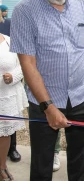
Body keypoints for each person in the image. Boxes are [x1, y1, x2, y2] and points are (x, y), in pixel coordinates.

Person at [10, 0, 84, 181]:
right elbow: (27, 64)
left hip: (81, 95)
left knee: (79, 158)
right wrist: (48, 107)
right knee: (42, 162)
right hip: (44, 100)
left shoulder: (81, 1)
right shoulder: (24, 11)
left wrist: (78, 72)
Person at [0, 33, 27, 181]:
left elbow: (23, 65)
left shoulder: (10, 41)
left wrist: (13, 76)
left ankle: (2, 166)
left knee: (5, 133)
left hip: (7, 97)